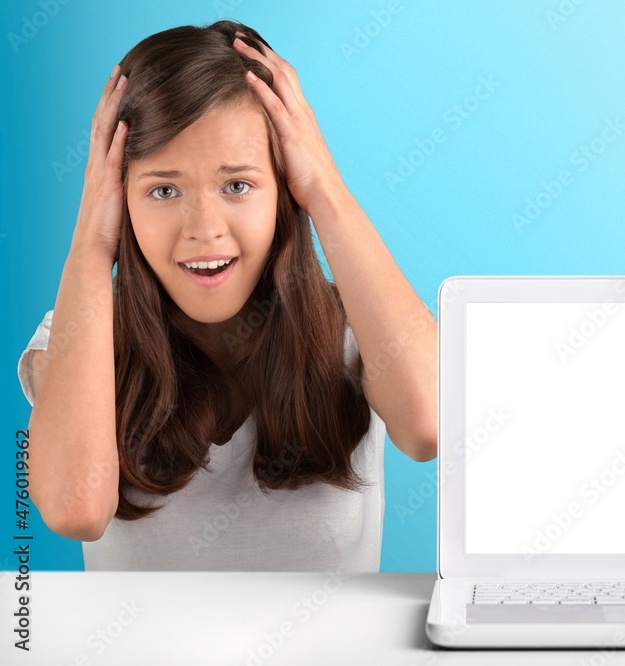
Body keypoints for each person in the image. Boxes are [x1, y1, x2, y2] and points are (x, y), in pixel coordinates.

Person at [16, 20, 437, 571]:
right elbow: (76, 509)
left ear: (283, 188)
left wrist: (324, 187)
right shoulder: (76, 335)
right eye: (163, 190)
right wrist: (92, 244)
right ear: (118, 197)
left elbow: (429, 426)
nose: (204, 229)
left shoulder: (360, 324)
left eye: (237, 185)